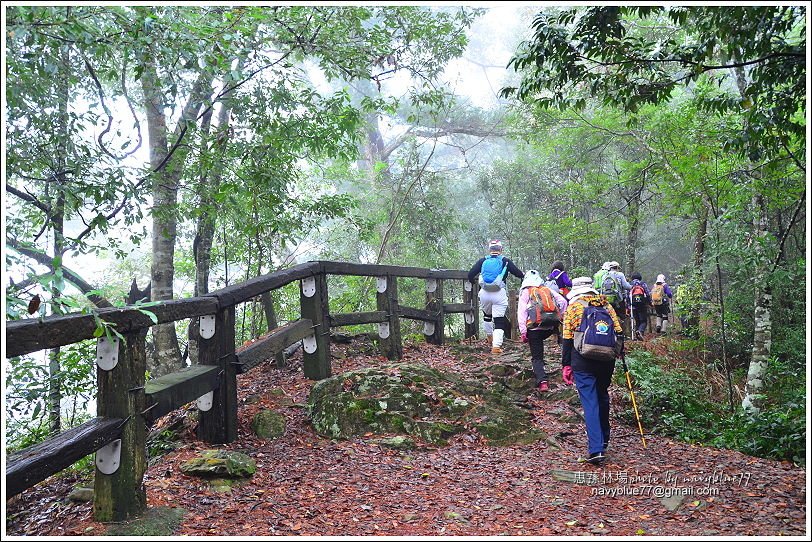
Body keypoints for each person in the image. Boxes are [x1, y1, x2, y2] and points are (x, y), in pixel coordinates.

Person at [560, 276, 624, 465]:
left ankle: (596, 449)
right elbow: (618, 331)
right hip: (606, 359)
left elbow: (567, 338)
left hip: (583, 359)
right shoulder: (606, 306)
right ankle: (604, 439)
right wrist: (620, 352)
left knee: (590, 401)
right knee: (602, 395)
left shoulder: (574, 307)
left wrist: (566, 364)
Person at [468, 239, 524, 354]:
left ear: (489, 250)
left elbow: (470, 274)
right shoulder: (505, 261)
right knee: (499, 321)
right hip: (499, 292)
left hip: (484, 293)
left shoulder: (483, 261)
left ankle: (489, 338)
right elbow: (519, 274)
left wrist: (477, 286)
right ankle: (496, 347)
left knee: (487, 316)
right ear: (501, 249)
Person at [518, 269, 568, 393]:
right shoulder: (547, 289)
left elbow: (522, 312)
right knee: (559, 340)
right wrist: (559, 316)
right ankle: (567, 370)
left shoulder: (526, 291)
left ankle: (542, 382)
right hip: (550, 326)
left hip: (534, 328)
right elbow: (562, 301)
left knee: (537, 356)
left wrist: (523, 332)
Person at [628, 272, 651, 340]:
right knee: (643, 321)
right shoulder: (643, 284)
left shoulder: (630, 284)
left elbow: (627, 295)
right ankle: (640, 332)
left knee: (637, 320)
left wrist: (628, 306)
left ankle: (637, 333)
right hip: (642, 305)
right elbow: (647, 294)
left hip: (633, 305)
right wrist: (649, 303)